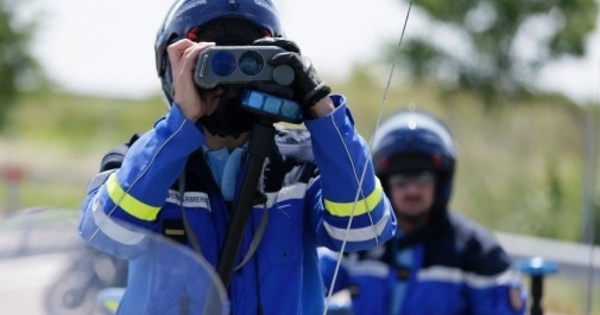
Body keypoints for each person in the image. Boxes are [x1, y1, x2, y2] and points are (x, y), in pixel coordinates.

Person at [77, 1, 397, 315]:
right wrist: (179, 126)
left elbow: (364, 229)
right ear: (171, 71)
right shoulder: (141, 160)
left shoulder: (304, 164)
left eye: (249, 61)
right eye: (214, 62)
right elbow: (106, 234)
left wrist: (321, 109)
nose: (230, 81)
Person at [320, 109, 527, 315]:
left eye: (423, 179)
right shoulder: (357, 238)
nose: (412, 190)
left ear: (441, 182)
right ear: (383, 184)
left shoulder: (478, 252)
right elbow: (305, 284)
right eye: (401, 181)